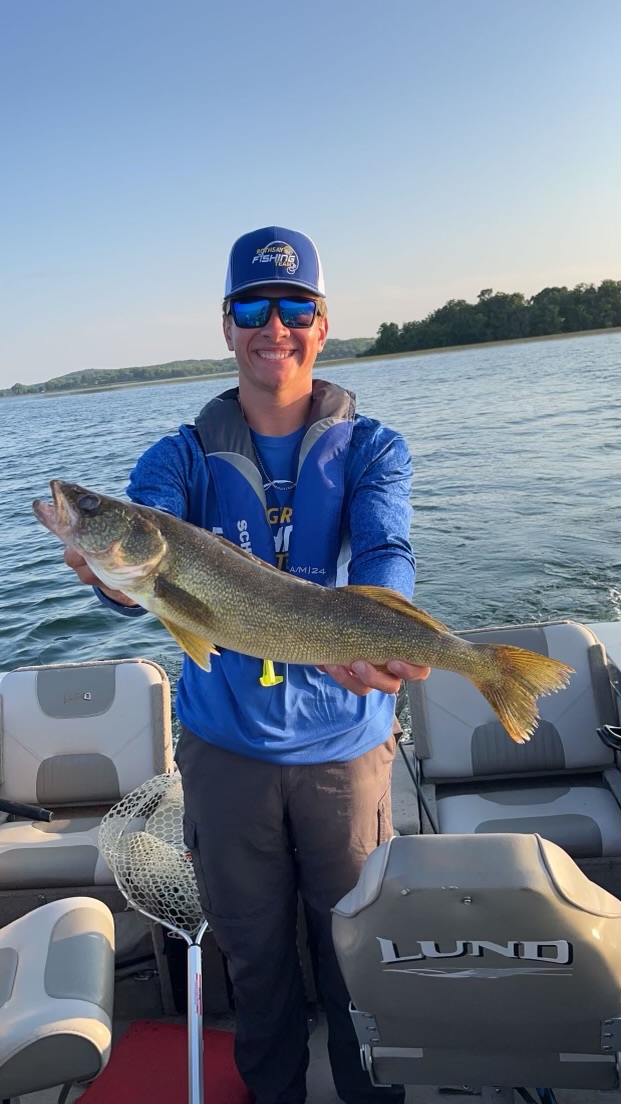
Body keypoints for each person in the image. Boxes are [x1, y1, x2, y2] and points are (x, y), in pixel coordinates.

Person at [65, 225, 429, 1104]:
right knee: (255, 956)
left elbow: (386, 547)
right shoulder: (176, 458)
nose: (277, 326)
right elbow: (136, 561)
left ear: (322, 321)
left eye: (295, 305)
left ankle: (366, 1093)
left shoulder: (373, 445)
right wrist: (109, 576)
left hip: (344, 748)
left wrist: (380, 635)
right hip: (225, 755)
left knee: (352, 951)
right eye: (255, 308)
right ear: (227, 326)